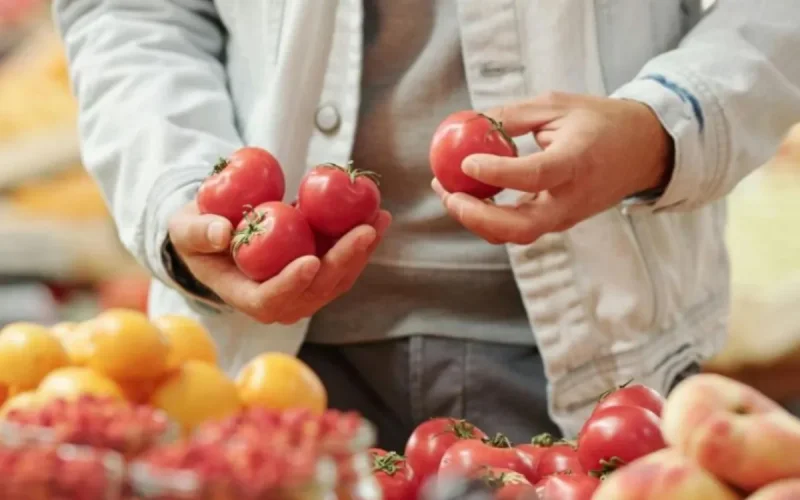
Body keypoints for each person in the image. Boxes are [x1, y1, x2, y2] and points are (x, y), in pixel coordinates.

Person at [54, 0, 800, 447]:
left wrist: (666, 124)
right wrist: (181, 185)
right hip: (264, 365)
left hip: (594, 354)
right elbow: (131, 10)